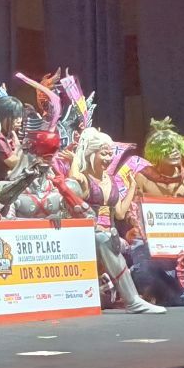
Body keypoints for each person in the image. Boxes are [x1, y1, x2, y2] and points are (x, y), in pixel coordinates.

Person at [69, 128, 166, 315]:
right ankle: (132, 300)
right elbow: (74, 177)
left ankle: (140, 293)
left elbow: (120, 213)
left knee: (132, 244)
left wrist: (132, 188)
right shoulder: (84, 179)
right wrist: (78, 153)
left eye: (110, 154)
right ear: (91, 153)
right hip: (88, 234)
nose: (108, 158)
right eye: (103, 154)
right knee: (103, 239)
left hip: (110, 234)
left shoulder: (111, 180)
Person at [129, 119, 184, 308]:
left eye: (176, 148)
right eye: (167, 149)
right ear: (156, 153)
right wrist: (145, 235)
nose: (174, 152)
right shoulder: (143, 178)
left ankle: (162, 287)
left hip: (182, 244)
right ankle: (144, 282)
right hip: (150, 243)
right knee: (140, 255)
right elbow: (133, 212)